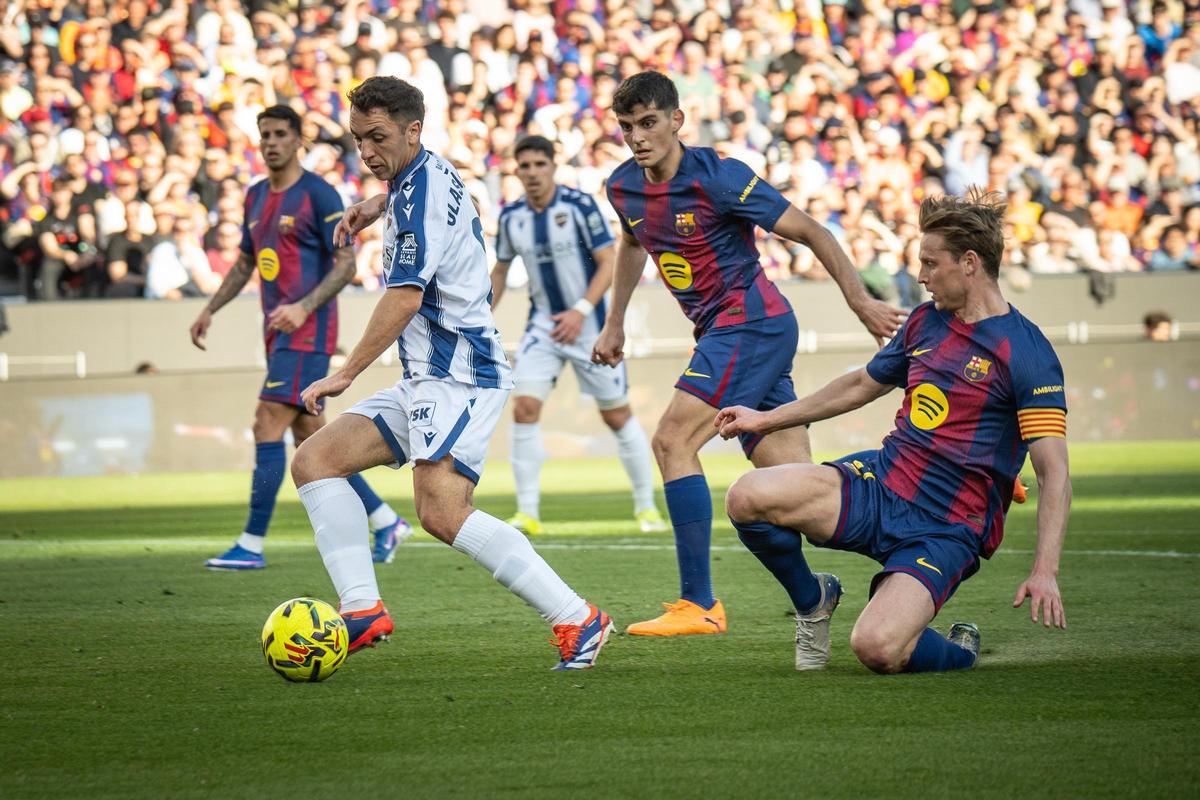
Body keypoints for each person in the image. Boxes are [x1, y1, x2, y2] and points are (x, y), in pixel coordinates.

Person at [292, 76, 614, 669]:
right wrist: (376, 203)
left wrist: (345, 373)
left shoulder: (416, 195)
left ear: (412, 130)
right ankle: (362, 608)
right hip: (427, 377)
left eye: (378, 137)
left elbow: (405, 297)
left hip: (460, 375)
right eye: (358, 138)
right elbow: (424, 200)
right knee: (315, 462)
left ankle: (578, 618)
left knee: (442, 511)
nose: (366, 151)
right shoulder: (420, 175)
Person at [591, 71, 905, 637]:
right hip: (726, 331)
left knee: (672, 441)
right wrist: (614, 323)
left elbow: (812, 231)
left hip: (750, 324)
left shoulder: (719, 176)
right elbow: (633, 241)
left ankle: (700, 603)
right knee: (793, 493)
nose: (636, 137)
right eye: (627, 126)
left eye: (648, 122)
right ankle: (821, 589)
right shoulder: (622, 187)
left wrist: (861, 300)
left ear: (676, 120)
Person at [715, 189, 1071, 673]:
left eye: (931, 263)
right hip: (882, 485)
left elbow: (1054, 473)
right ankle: (813, 600)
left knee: (877, 648)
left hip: (947, 525)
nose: (921, 276)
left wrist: (1045, 570)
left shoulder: (1027, 353)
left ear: (969, 262)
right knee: (747, 495)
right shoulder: (926, 321)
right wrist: (764, 419)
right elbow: (862, 384)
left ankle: (959, 651)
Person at [189, 105, 412, 571]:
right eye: (265, 135)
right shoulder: (255, 196)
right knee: (311, 437)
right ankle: (386, 520)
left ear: (297, 141)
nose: (271, 143)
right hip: (278, 333)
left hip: (309, 331)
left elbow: (345, 265)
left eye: (280, 134)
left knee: (265, 422)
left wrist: (303, 307)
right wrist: (210, 309)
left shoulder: (318, 194)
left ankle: (251, 543)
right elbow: (246, 263)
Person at [490, 134, 666, 536]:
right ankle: (527, 513)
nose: (532, 173)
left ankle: (646, 507)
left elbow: (608, 261)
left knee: (616, 414)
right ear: (516, 171)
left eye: (540, 164)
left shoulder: (578, 205)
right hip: (544, 328)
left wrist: (581, 310)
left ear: (553, 167)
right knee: (524, 408)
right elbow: (500, 270)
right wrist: (480, 316)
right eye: (525, 166)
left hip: (590, 328)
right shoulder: (512, 216)